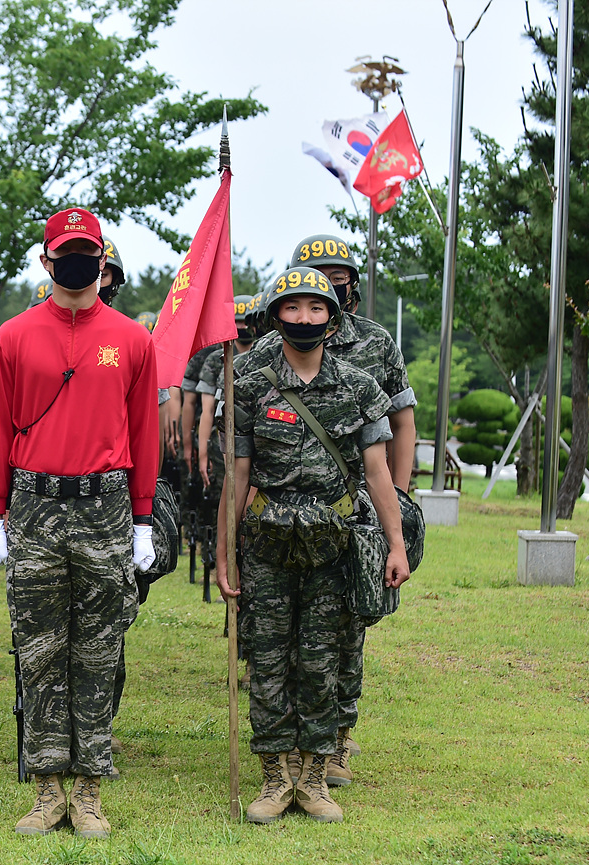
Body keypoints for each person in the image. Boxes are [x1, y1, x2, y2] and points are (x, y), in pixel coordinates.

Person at [0, 207, 158, 839]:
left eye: (89, 252)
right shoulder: (13, 337)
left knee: (99, 649)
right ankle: (47, 787)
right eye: (67, 251)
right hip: (34, 504)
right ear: (47, 259)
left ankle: (89, 789)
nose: (78, 262)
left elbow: (144, 432)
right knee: (39, 650)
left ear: (102, 261)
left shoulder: (133, 340)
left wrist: (142, 518)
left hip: (105, 505)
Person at [215, 266, 410, 824]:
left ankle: (315, 778)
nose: (304, 319)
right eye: (293, 309)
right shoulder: (250, 381)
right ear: (276, 315)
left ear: (332, 318)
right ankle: (275, 778)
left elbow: (378, 475)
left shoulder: (357, 386)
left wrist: (395, 546)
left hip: (333, 547)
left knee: (322, 663)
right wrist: (225, 551)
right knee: (270, 660)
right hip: (268, 547)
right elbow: (239, 474)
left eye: (316, 309)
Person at [287, 234, 416, 783]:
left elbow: (403, 420)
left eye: (338, 273)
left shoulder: (375, 342)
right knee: (288, 626)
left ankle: (337, 735)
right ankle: (292, 737)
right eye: (317, 273)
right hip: (287, 509)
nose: (330, 280)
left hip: (357, 508)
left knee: (346, 624)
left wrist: (400, 499)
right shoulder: (282, 333)